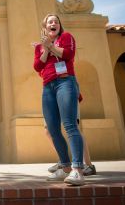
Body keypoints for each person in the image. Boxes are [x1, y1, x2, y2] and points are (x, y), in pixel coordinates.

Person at [33, 14, 85, 186]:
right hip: (48, 86)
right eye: (50, 22)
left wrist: (51, 46)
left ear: (59, 26)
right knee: (53, 129)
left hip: (65, 82)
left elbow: (68, 55)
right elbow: (37, 66)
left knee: (70, 125)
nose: (53, 23)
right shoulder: (40, 46)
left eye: (56, 21)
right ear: (45, 27)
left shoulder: (66, 37)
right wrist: (46, 48)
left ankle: (77, 169)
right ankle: (65, 167)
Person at [45, 94, 96, 176]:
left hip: (67, 91)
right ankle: (64, 161)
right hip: (51, 95)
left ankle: (88, 165)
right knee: (48, 130)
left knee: (73, 127)